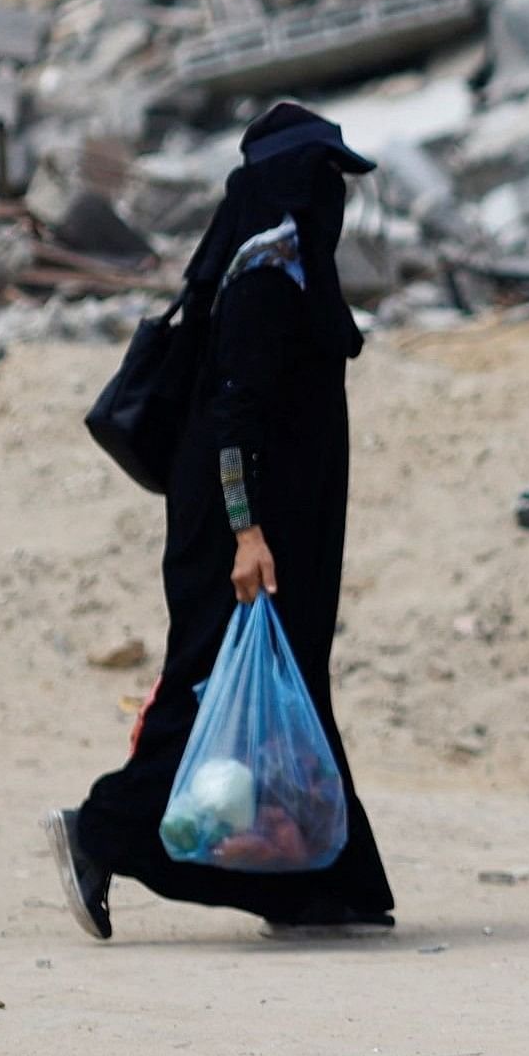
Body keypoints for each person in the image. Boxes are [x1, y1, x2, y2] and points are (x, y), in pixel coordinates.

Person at [43, 103, 396, 940]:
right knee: (211, 688)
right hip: (239, 532)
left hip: (276, 527)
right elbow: (236, 412)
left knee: (291, 685)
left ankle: (325, 879)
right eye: (322, 179)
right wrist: (247, 532)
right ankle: (100, 830)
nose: (332, 198)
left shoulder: (291, 265)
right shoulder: (266, 272)